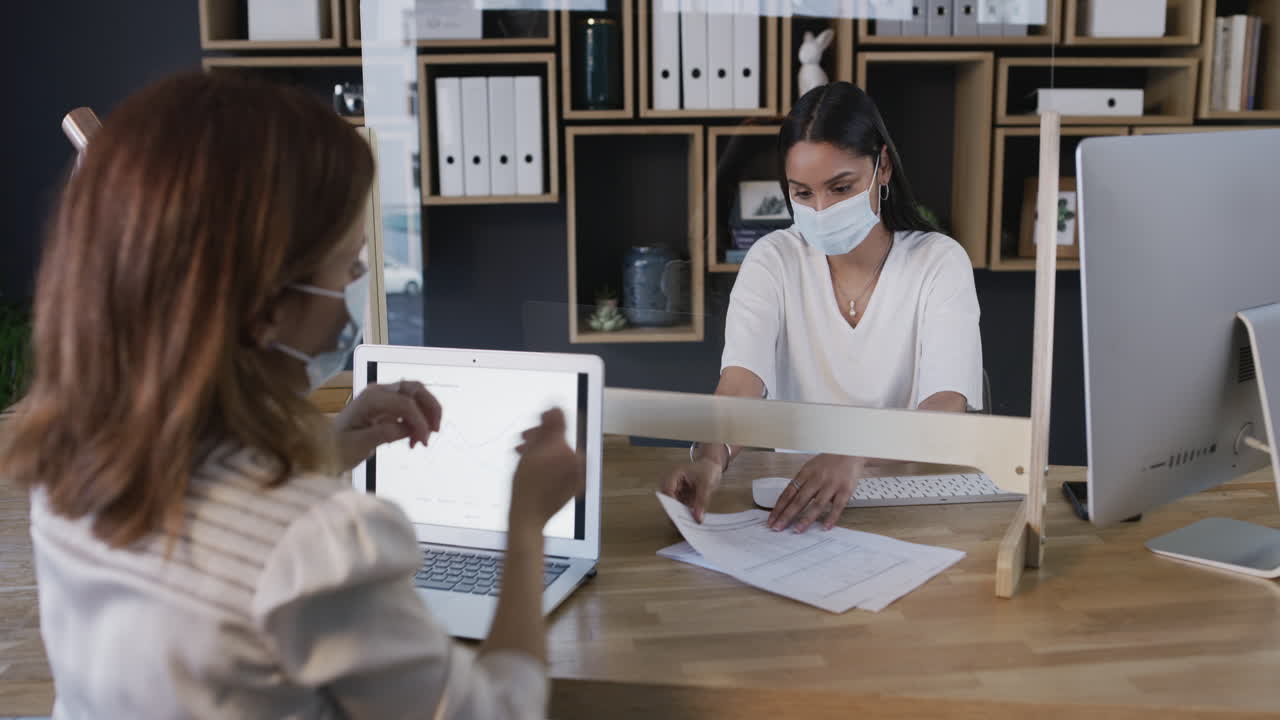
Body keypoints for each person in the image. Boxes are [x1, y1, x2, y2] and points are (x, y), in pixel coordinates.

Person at [0, 72, 581, 719]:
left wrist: (329, 448)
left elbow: (209, 517)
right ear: (264, 310)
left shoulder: (68, 460)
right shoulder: (322, 543)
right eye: (349, 263)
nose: (359, 282)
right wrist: (528, 524)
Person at [662, 82, 983, 535]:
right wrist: (711, 461)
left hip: (914, 506)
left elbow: (947, 405)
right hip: (799, 508)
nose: (822, 208)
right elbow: (739, 384)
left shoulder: (938, 261)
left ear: (882, 167)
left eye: (840, 187)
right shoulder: (773, 260)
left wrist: (852, 451)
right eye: (803, 193)